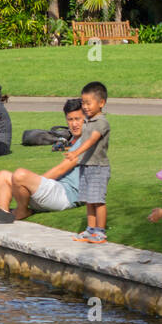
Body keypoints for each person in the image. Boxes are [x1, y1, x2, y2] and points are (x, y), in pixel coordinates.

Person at [0, 99, 85, 222]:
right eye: (70, 119)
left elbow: (61, 169)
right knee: (2, 176)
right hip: (55, 191)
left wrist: (37, 182)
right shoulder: (75, 140)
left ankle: (22, 211)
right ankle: (4, 213)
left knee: (20, 175)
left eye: (78, 119)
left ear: (86, 119)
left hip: (66, 196)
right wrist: (35, 183)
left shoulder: (87, 141)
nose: (74, 124)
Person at [67, 81, 112, 244]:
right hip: (85, 165)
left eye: (88, 103)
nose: (85, 106)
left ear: (101, 103)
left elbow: (92, 140)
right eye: (83, 103)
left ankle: (100, 232)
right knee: (88, 199)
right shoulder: (87, 120)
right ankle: (90, 230)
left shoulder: (101, 122)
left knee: (98, 200)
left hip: (98, 167)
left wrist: (76, 153)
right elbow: (81, 137)